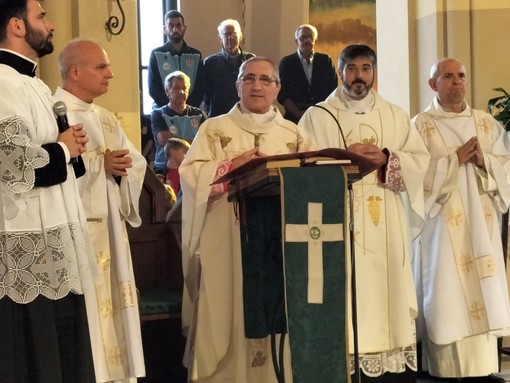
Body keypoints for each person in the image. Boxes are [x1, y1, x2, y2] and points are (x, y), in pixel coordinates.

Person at [299, 44, 430, 383]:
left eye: (366, 68)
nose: (359, 76)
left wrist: (389, 157)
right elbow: (303, 163)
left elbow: (420, 160)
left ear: (374, 72)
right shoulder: (318, 115)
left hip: (384, 214)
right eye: (352, 68)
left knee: (385, 288)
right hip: (337, 216)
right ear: (340, 71)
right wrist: (344, 156)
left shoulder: (395, 115)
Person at [180, 56, 315, 382]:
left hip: (276, 244)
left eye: (265, 80)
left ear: (277, 88)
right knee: (228, 306)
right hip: (227, 240)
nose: (257, 85)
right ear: (237, 85)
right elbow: (191, 176)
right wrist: (232, 166)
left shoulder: (294, 136)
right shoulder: (214, 130)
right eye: (249, 78)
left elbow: (312, 182)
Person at [0, 1, 98, 382]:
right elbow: (11, 162)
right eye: (41, 16)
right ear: (17, 26)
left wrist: (68, 149)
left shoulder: (33, 84)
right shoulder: (4, 83)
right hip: (27, 248)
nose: (51, 24)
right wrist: (62, 149)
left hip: (53, 244)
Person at [55, 39, 147, 382]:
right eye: (101, 67)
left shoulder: (107, 119)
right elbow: (50, 176)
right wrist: (98, 166)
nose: (111, 74)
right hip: (77, 237)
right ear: (75, 72)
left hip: (110, 233)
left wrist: (121, 168)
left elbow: (134, 164)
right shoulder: (54, 112)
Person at [412, 58, 510, 381]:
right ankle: (444, 369)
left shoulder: (485, 123)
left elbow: (506, 167)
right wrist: (453, 161)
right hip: (441, 230)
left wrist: (485, 161)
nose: (456, 82)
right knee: (445, 293)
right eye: (448, 76)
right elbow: (416, 177)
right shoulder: (421, 126)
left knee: (484, 292)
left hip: (482, 225)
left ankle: (483, 368)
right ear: (433, 84)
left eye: (461, 76)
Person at [277, 24, 338, 123]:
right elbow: (282, 93)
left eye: (310, 37)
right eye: (302, 38)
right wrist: (299, 114)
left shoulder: (326, 61)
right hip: (295, 118)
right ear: (296, 41)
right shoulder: (287, 62)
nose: (307, 40)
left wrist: (322, 112)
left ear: (315, 40)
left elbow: (333, 90)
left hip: (322, 117)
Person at [151, 70, 206, 174]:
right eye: (176, 88)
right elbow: (164, 140)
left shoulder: (198, 114)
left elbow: (206, 140)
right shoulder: (158, 114)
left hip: (193, 167)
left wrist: (175, 138)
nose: (181, 92)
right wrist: (194, 141)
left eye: (184, 89)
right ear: (167, 91)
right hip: (165, 168)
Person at [148, 10, 203, 108]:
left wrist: (184, 108)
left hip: (190, 112)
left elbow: (201, 88)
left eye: (178, 26)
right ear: (164, 29)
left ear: (184, 28)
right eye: (171, 26)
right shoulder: (156, 55)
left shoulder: (195, 55)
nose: (175, 29)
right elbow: (153, 89)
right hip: (163, 111)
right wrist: (171, 107)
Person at [201, 19, 255, 117]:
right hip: (219, 116)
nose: (231, 37)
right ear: (220, 38)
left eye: (234, 33)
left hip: (245, 115)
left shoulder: (250, 60)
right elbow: (206, 95)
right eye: (226, 34)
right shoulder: (211, 63)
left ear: (240, 36)